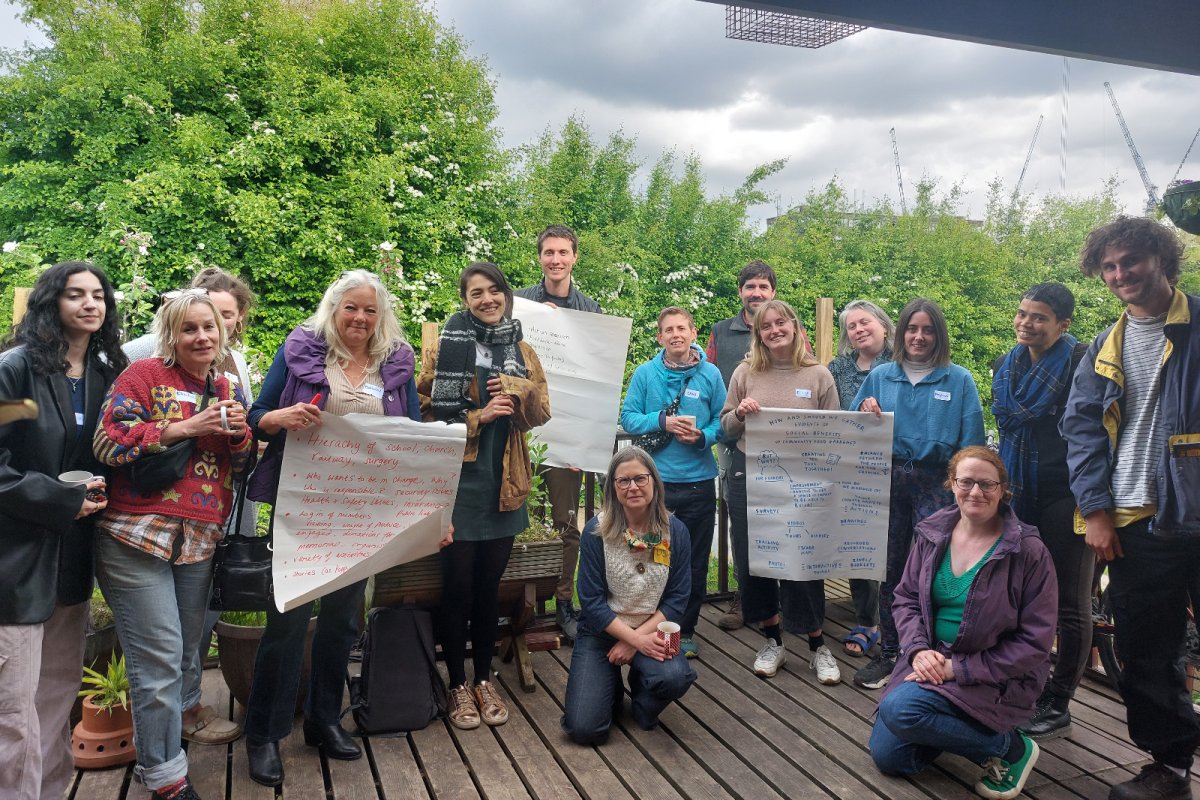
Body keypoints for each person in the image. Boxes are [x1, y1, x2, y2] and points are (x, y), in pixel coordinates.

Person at [242, 270, 420, 787]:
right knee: (287, 624)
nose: (360, 319)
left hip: (363, 515)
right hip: (302, 509)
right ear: (334, 310)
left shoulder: (396, 363)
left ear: (380, 316)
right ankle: (265, 734)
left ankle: (323, 721)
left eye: (370, 311)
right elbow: (257, 416)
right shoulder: (301, 350)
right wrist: (280, 418)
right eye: (351, 309)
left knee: (343, 622)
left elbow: (407, 439)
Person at [93, 290, 252, 800]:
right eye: (189, 329)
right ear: (171, 336)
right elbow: (105, 441)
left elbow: (241, 467)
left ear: (223, 332)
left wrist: (241, 437)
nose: (202, 337)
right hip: (135, 536)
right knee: (158, 657)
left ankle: (173, 735)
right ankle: (163, 776)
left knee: (185, 653)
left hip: (199, 540)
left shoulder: (226, 385)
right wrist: (183, 427)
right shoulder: (142, 377)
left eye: (209, 327)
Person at [1061, 216, 1200, 800]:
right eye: (1110, 266)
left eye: (1131, 262)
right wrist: (1095, 510)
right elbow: (1081, 429)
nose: (1121, 275)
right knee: (1145, 648)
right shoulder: (1104, 343)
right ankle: (1169, 768)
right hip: (1136, 520)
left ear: (1162, 258)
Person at [0, 261, 127, 799]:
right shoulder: (15, 371)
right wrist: (60, 498)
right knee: (11, 706)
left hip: (72, 558)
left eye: (97, 294)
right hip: (15, 561)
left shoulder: (106, 373)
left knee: (56, 696)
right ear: (51, 303)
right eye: (75, 294)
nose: (89, 303)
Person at [868, 446, 1056, 800]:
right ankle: (967, 728)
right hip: (932, 660)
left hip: (993, 674)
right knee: (890, 756)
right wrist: (918, 650)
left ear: (1003, 489)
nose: (975, 492)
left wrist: (960, 670)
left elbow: (1036, 642)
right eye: (966, 482)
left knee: (900, 711)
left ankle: (1012, 748)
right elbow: (905, 598)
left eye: (987, 484)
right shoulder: (932, 534)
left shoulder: (1028, 551)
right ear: (951, 484)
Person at [419, 261, 551, 731]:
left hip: (504, 485)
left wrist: (515, 391)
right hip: (457, 484)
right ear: (465, 300)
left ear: (506, 295)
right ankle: (456, 684)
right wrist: (480, 415)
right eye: (476, 293)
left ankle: (482, 678)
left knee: (488, 591)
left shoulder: (523, 349)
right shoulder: (445, 345)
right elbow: (425, 413)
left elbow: (541, 412)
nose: (487, 299)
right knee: (455, 589)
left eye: (494, 290)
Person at [852, 297, 985, 691]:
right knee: (891, 568)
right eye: (912, 328)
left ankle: (933, 654)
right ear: (902, 333)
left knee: (933, 569)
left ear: (938, 334)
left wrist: (966, 492)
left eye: (928, 329)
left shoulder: (958, 379)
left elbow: (972, 444)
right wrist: (863, 409)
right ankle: (891, 653)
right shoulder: (880, 376)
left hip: (937, 484)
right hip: (889, 478)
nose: (919, 336)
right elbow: (852, 425)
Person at [719, 300, 842, 684]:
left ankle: (817, 645)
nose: (774, 330)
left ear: (794, 326)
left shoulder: (819, 374)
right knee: (755, 559)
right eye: (766, 326)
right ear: (758, 335)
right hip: (750, 476)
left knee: (802, 558)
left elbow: (836, 431)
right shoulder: (745, 372)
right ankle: (772, 639)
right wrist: (739, 413)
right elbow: (724, 427)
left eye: (780, 323)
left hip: (802, 483)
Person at [991, 282, 1090, 741]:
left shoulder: (1080, 364)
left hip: (1067, 495)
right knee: (1019, 593)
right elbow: (1006, 423)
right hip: (1019, 491)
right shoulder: (1008, 364)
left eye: (1039, 317)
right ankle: (1022, 682)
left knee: (1069, 602)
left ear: (1062, 324)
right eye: (1022, 313)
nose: (1027, 323)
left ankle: (1059, 700)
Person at [561, 447, 697, 743]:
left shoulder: (676, 532)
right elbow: (591, 602)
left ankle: (643, 700)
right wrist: (631, 640)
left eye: (640, 478)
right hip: (601, 632)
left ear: (654, 482)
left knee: (674, 677)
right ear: (613, 488)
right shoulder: (597, 532)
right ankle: (608, 686)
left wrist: (636, 644)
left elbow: (678, 598)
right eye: (623, 481)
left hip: (656, 629)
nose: (632, 486)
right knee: (584, 729)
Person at [704, 260, 811, 631]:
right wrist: (718, 423)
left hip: (793, 457)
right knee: (743, 528)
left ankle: (788, 604)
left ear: (773, 292)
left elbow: (808, 370)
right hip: (739, 444)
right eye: (750, 286)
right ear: (741, 292)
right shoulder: (720, 332)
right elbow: (707, 380)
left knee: (788, 526)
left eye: (764, 287)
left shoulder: (792, 329)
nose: (757, 293)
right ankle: (746, 599)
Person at [621, 306, 725, 658]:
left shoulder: (710, 375)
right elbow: (629, 418)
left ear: (694, 333)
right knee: (651, 557)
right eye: (669, 330)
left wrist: (702, 437)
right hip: (655, 483)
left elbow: (722, 423)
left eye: (682, 328)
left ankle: (687, 630)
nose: (676, 334)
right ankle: (645, 628)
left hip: (697, 481)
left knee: (694, 561)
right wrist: (662, 421)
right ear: (659, 337)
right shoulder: (645, 374)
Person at [514, 224, 602, 642]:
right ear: (540, 257)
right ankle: (523, 604)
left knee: (567, 523)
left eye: (563, 252)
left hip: (569, 433)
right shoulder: (520, 306)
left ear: (574, 257)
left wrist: (587, 437)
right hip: (524, 431)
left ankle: (565, 600)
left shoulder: (591, 309)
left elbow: (596, 376)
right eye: (548, 252)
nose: (555, 259)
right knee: (524, 520)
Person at [181, 267, 256, 747]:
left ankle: (185, 703)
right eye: (202, 315)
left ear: (238, 319)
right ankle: (179, 710)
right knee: (172, 617)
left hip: (224, 507)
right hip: (172, 509)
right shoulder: (148, 358)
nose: (211, 327)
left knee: (204, 606)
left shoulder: (236, 365)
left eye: (223, 317)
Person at [826, 299, 895, 658]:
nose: (858, 330)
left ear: (883, 325)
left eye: (864, 322)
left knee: (900, 547)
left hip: (897, 467)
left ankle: (900, 622)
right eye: (851, 326)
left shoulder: (904, 363)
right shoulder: (836, 368)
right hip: (851, 470)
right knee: (859, 545)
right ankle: (867, 620)